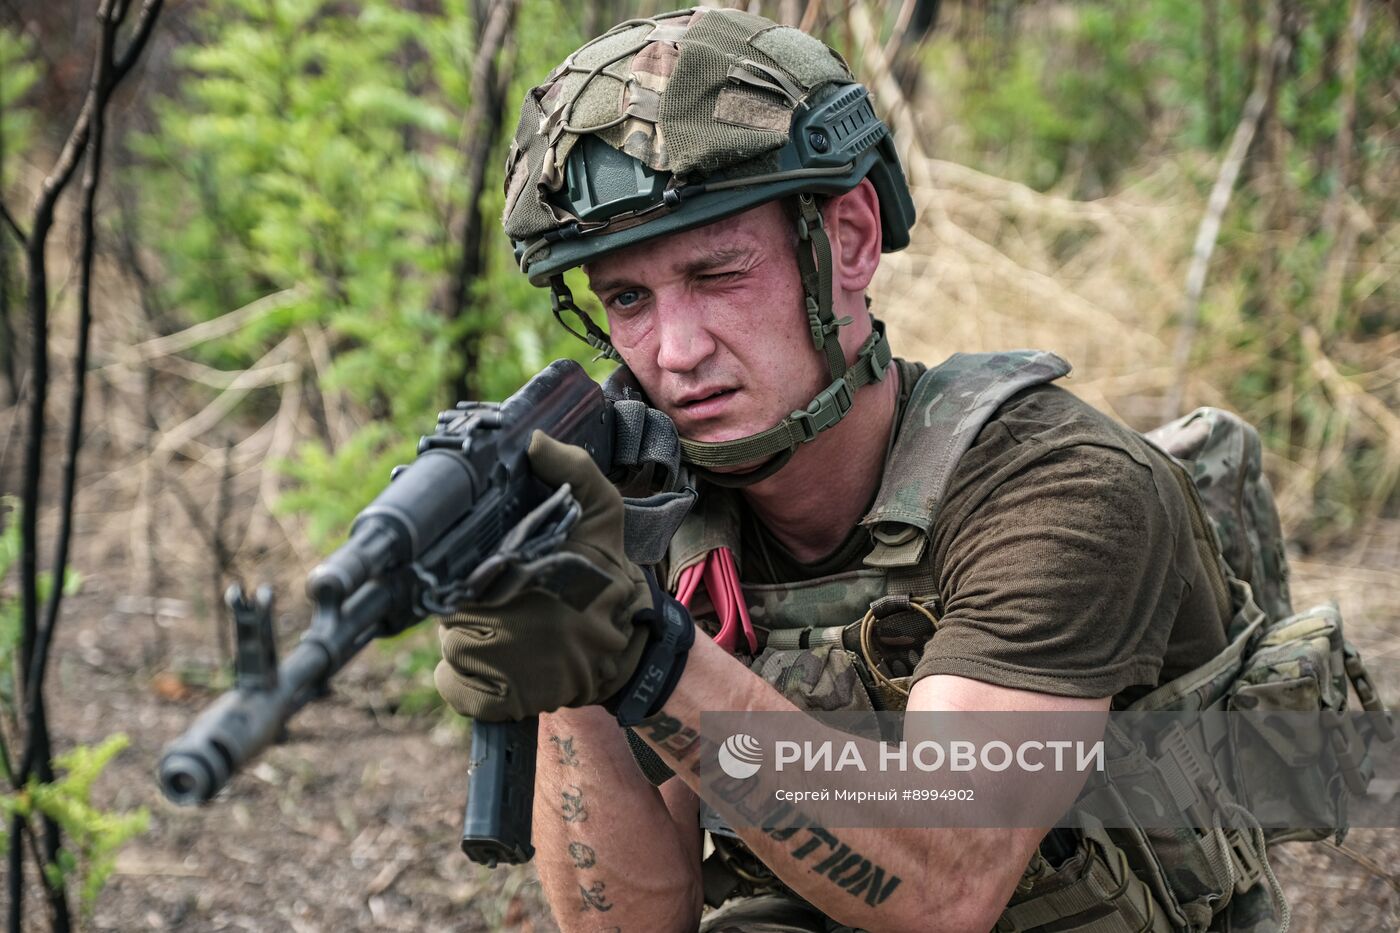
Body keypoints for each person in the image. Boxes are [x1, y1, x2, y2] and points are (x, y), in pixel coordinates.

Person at [432, 8, 1270, 932]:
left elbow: (949, 880)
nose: (674, 351)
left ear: (851, 242)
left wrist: (640, 652)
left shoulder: (1060, 485)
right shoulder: (656, 519)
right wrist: (566, 660)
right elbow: (626, 923)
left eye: (717, 276)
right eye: (628, 297)